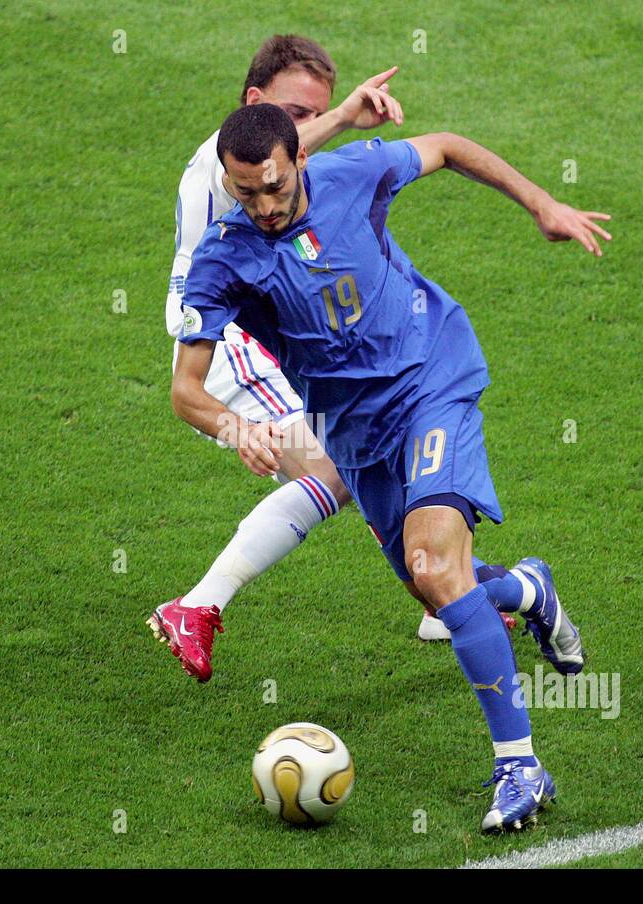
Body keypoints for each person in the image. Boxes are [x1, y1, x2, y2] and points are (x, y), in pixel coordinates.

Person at [172, 103, 609, 831]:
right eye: (245, 192)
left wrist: (543, 202)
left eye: (274, 187)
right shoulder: (224, 259)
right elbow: (186, 389)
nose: (264, 206)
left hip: (432, 378)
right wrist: (234, 425)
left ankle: (521, 765)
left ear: (300, 160)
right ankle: (529, 587)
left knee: (436, 564)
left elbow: (445, 145)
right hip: (356, 434)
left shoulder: (355, 173)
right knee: (440, 593)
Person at [151, 35, 491, 684]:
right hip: (232, 346)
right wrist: (238, 427)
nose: (304, 130)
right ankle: (197, 605)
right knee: (339, 471)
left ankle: (449, 597)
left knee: (368, 467)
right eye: (296, 113)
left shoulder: (262, 163)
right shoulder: (219, 166)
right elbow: (279, 164)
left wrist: (344, 117)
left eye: (314, 115)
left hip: (269, 333)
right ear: (255, 103)